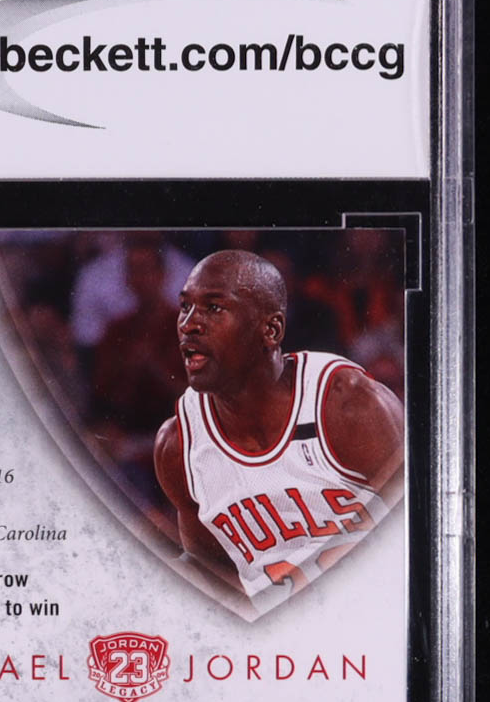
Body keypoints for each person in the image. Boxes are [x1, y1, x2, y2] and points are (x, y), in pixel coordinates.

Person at [154, 250, 404, 611]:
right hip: (280, 636)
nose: (189, 324)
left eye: (214, 307)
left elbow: (419, 531)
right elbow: (213, 577)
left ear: (270, 330)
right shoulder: (179, 445)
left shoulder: (347, 404)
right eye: (185, 307)